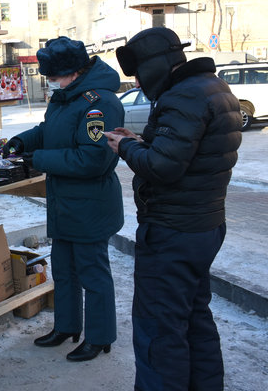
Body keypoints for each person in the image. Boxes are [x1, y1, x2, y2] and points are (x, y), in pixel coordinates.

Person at [104, 27, 242, 390]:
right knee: (195, 320)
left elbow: (164, 167)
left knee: (159, 333)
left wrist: (124, 148)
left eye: (138, 72)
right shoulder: (210, 88)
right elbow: (185, 150)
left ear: (154, 65)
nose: (136, 80)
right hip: (204, 225)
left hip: (172, 232)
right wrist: (142, 140)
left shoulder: (181, 97)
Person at [3, 36, 124, 362]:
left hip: (90, 207)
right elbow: (48, 131)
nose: (51, 82)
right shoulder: (66, 98)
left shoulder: (100, 103)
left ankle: (99, 337)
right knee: (65, 270)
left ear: (73, 71)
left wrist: (38, 160)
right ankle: (66, 327)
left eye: (54, 76)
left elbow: (93, 159)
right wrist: (20, 141)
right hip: (65, 203)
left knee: (93, 274)